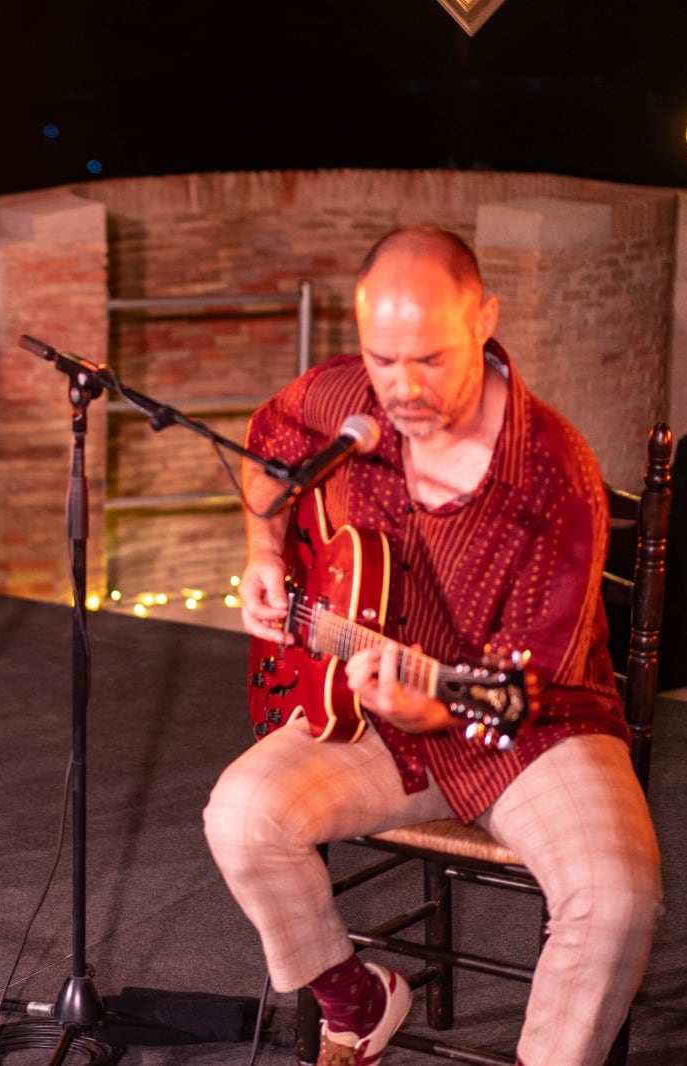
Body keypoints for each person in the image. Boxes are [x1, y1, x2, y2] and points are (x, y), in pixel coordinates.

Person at [202, 227, 662, 1065]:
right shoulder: (350, 401)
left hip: (531, 728)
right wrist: (264, 553)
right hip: (371, 715)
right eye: (384, 359)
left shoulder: (556, 476)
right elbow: (266, 441)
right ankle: (357, 999)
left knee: (618, 897)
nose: (402, 389)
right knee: (240, 814)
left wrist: (430, 702)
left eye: (431, 361)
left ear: (484, 319)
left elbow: (525, 684)